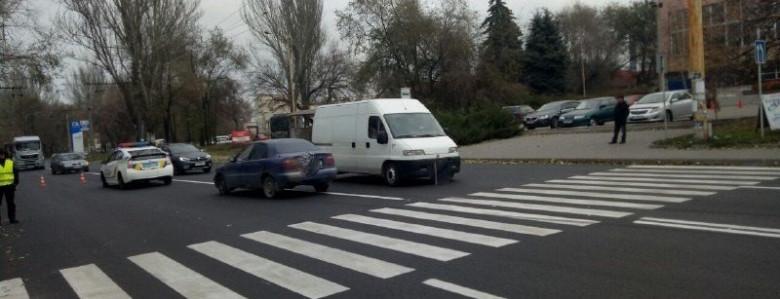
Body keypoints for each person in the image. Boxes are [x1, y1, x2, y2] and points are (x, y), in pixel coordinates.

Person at [0, 148, 20, 225]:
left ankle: (12, 218)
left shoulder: (10, 163)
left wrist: (15, 184)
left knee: (11, 203)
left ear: (5, 154)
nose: (1, 155)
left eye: (3, 154)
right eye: (0, 154)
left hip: (9, 187)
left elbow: (16, 173)